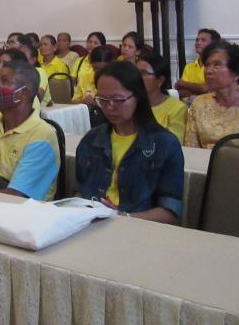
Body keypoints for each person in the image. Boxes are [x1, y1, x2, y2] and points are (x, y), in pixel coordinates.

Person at [75, 61, 184, 223]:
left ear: (138, 96)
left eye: (118, 100)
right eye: (102, 100)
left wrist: (121, 218)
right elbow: (81, 192)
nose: (109, 107)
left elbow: (170, 211)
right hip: (91, 223)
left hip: (137, 228)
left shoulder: (164, 144)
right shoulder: (91, 139)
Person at [0, 60, 60, 200]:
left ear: (24, 93)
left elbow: (17, 196)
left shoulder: (42, 136)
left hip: (23, 211)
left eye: (4, 81)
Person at [136, 53, 188, 143]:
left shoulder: (177, 108)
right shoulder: (130, 104)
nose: (137, 77)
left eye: (143, 73)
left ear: (160, 80)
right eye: (135, 72)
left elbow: (174, 143)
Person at [175, 28, 221, 98]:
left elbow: (207, 88)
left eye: (203, 40)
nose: (198, 43)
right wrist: (200, 90)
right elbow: (181, 92)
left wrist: (183, 83)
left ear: (213, 45)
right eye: (197, 40)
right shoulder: (189, 67)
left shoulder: (218, 66)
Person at [17, 35, 50, 106]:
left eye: (23, 55)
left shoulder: (40, 72)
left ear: (33, 60)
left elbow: (39, 97)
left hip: (42, 108)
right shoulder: (15, 72)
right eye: (18, 55)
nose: (19, 58)